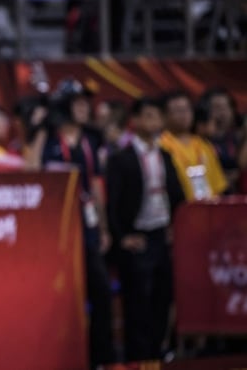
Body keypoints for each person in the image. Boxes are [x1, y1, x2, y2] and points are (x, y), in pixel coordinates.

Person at [39, 79, 115, 368]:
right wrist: (38, 129)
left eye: (87, 102)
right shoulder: (48, 137)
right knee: (61, 295)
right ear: (64, 105)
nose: (85, 108)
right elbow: (32, 168)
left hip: (88, 224)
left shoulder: (91, 139)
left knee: (101, 291)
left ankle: (102, 358)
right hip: (55, 228)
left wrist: (104, 226)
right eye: (78, 102)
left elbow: (95, 184)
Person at [106, 97, 185, 362]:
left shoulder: (165, 155)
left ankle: (157, 355)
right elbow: (112, 203)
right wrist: (122, 237)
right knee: (137, 305)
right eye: (148, 116)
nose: (154, 121)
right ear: (136, 120)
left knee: (163, 299)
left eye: (157, 116)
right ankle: (137, 360)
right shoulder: (121, 158)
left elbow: (176, 194)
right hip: (137, 237)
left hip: (162, 235)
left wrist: (176, 226)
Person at [159, 91, 228, 201]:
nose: (184, 115)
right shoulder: (161, 145)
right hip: (179, 210)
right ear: (164, 115)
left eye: (187, 109)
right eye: (178, 111)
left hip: (208, 208)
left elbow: (218, 186)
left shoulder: (204, 145)